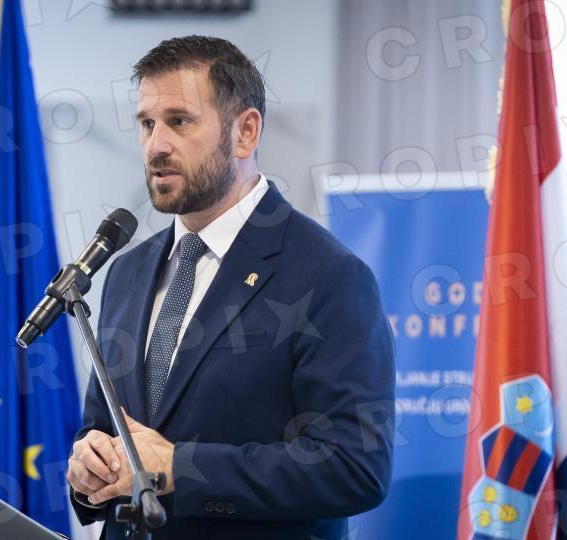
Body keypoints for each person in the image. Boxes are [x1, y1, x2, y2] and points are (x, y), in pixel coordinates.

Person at [67, 35, 394, 540]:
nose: (156, 145)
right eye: (147, 124)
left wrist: (179, 469)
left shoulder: (328, 275)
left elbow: (354, 466)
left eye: (179, 121)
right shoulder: (126, 272)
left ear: (246, 132)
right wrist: (89, 468)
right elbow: (106, 426)